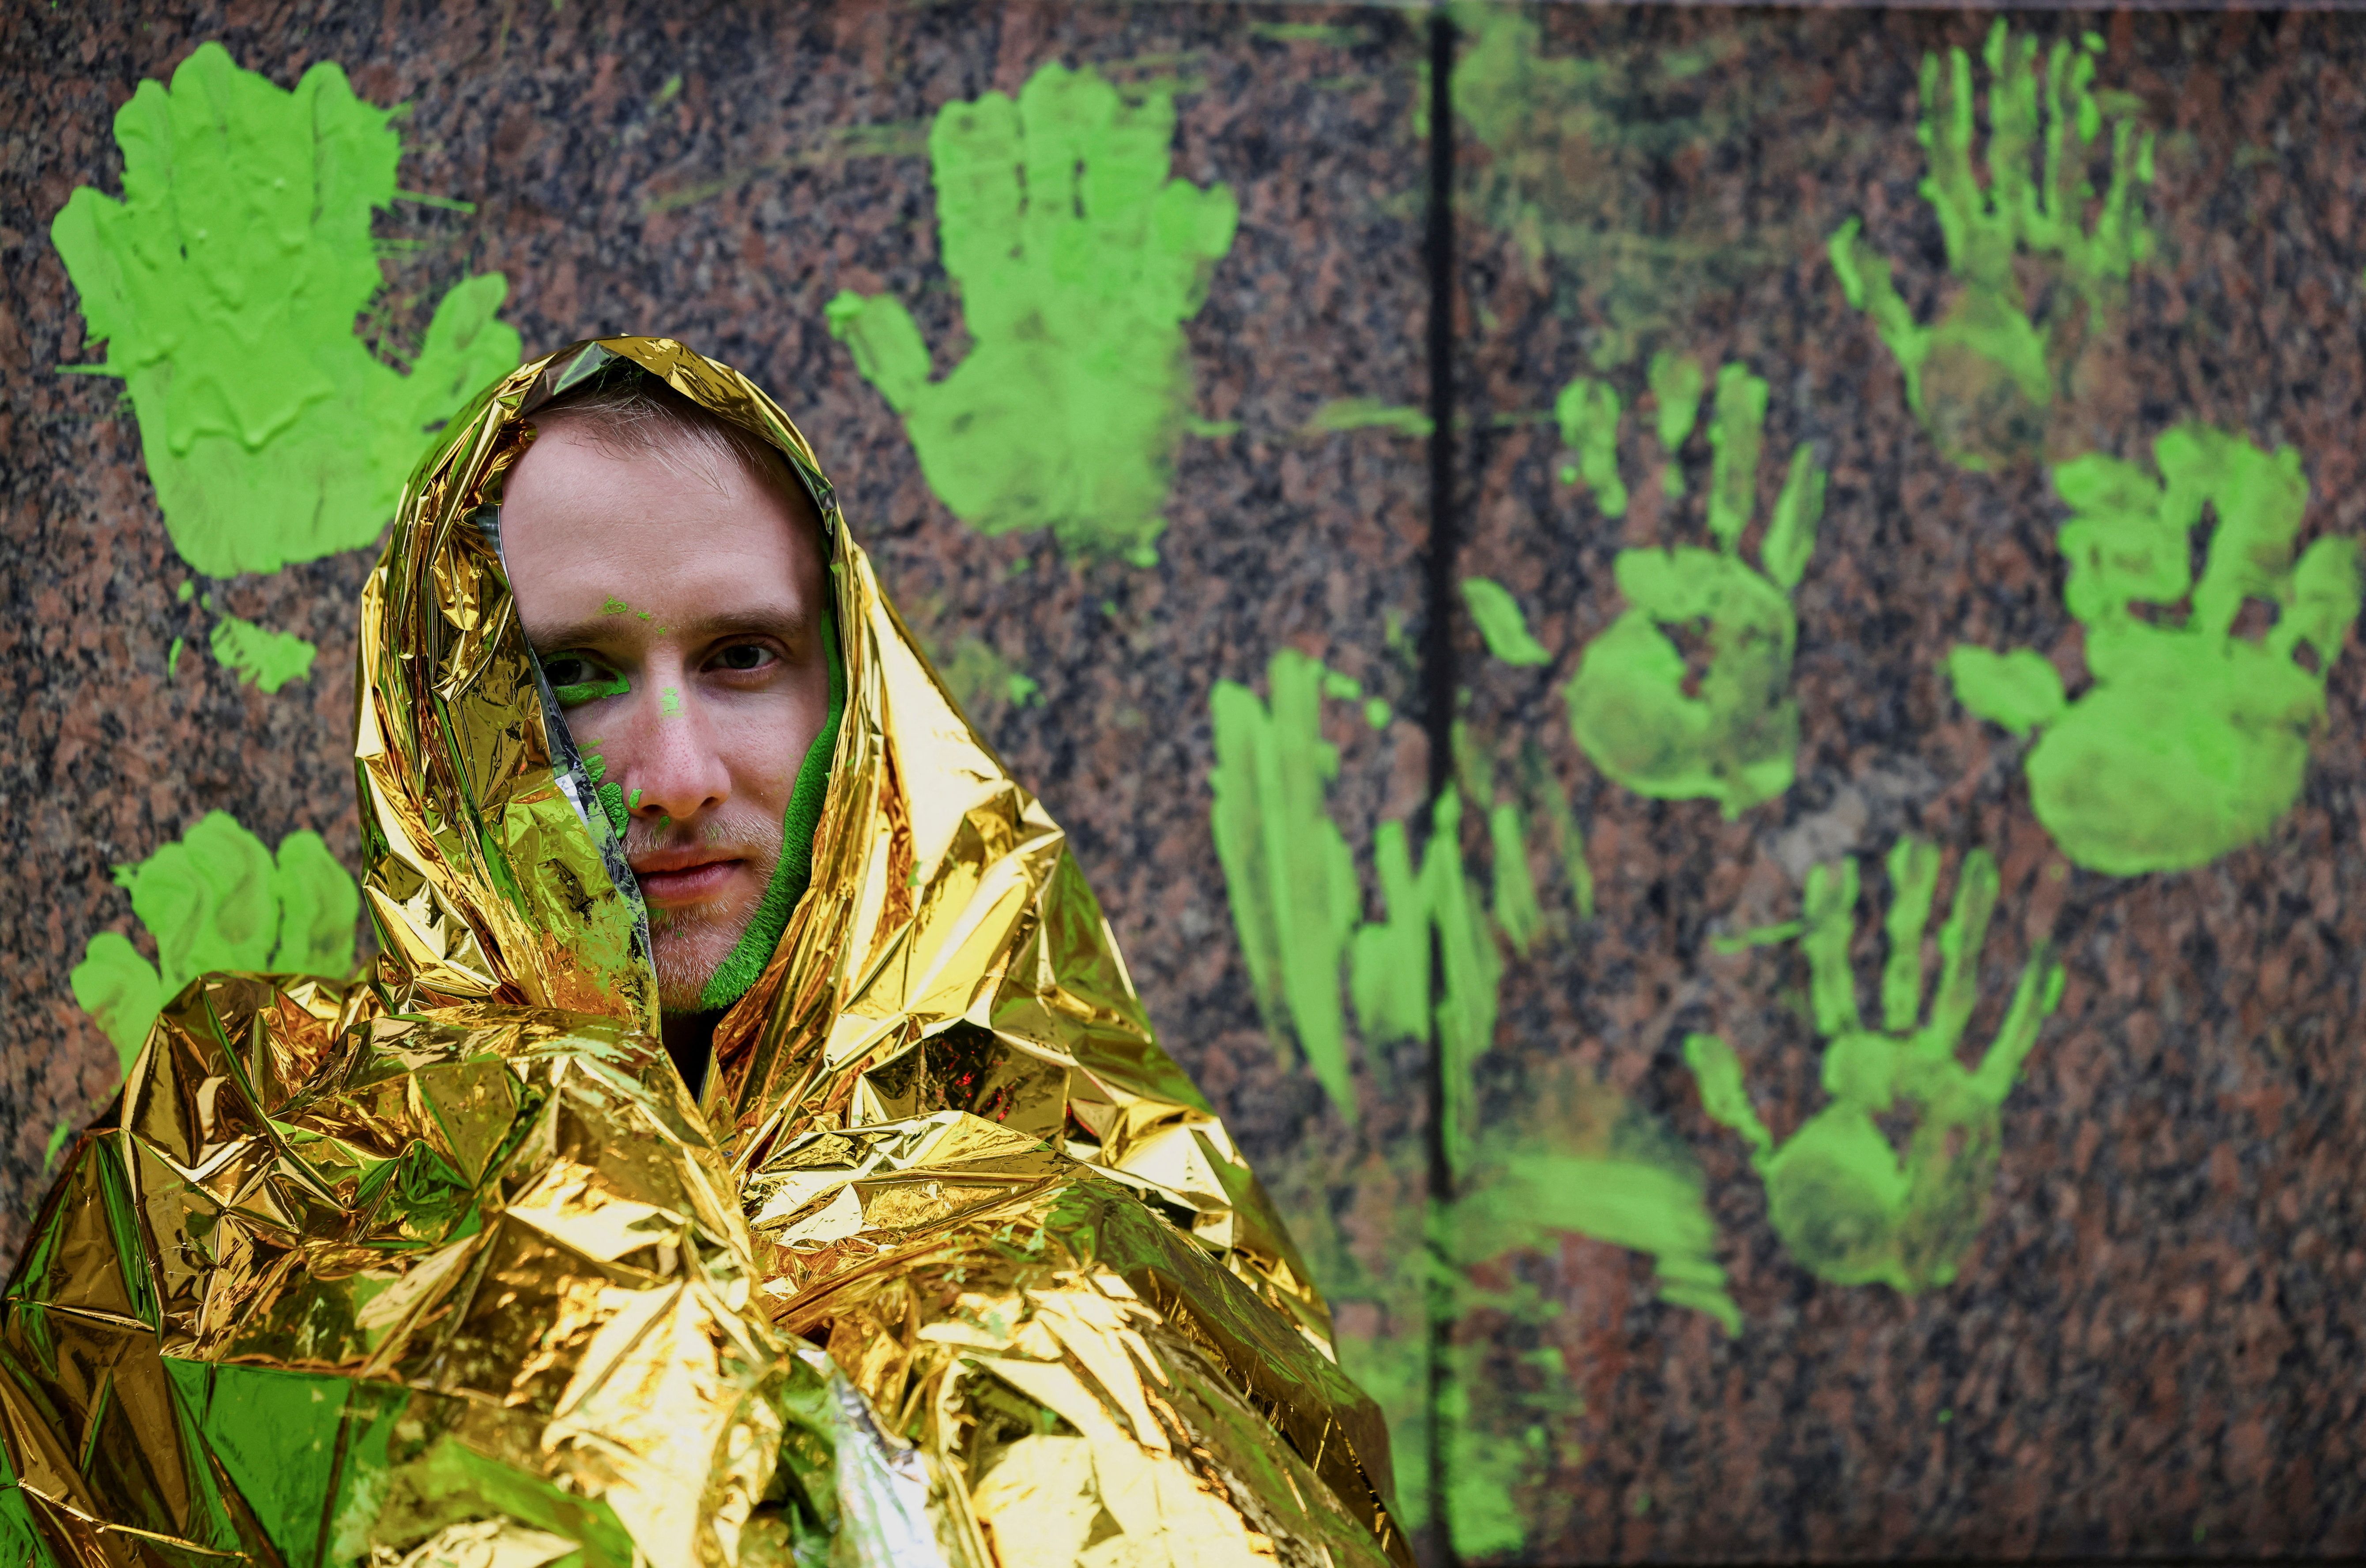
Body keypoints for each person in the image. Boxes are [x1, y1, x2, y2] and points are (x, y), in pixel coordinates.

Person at [0, 338, 1405, 1568]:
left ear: (859, 703)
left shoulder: (1099, 1214)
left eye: (740, 657)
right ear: (440, 728)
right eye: (572, 675)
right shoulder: (246, 1170)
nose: (674, 775)